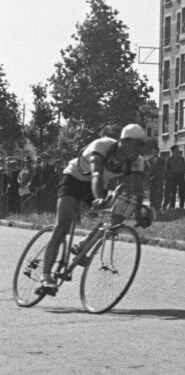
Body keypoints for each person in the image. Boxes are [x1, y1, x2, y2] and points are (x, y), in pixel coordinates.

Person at [34, 124, 148, 296]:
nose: (138, 150)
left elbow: (137, 190)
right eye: (135, 145)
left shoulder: (137, 161)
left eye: (141, 146)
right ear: (123, 141)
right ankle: (46, 276)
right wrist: (99, 198)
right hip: (73, 179)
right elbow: (96, 174)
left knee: (119, 212)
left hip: (96, 186)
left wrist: (140, 211)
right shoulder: (102, 146)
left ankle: (83, 244)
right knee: (63, 226)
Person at [164, 144, 185, 209]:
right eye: (177, 150)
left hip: (180, 175)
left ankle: (181, 206)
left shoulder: (181, 159)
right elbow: (166, 170)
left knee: (182, 191)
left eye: (178, 150)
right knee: (173, 192)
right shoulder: (169, 160)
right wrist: (169, 177)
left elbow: (184, 167)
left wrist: (184, 174)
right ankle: (172, 207)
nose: (178, 151)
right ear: (173, 151)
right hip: (173, 176)